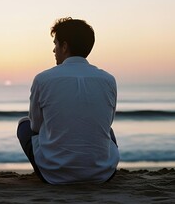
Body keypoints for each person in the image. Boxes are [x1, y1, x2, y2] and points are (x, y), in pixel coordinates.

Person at [17, 17, 119, 184]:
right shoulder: (108, 80)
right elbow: (107, 123)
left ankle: (57, 161)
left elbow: (35, 126)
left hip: (53, 175)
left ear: (64, 47)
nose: (53, 50)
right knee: (109, 131)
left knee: (24, 125)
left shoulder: (43, 79)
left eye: (55, 44)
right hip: (103, 173)